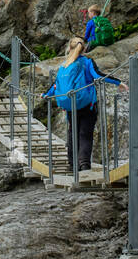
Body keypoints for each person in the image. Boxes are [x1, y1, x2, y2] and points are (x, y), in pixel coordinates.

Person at [46, 36, 125, 175]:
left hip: (70, 105)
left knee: (73, 133)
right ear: (85, 48)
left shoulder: (64, 65)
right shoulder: (87, 62)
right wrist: (118, 82)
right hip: (87, 104)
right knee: (85, 134)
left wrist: (46, 94)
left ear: (69, 48)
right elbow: (98, 75)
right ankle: (84, 164)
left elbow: (56, 84)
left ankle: (72, 163)